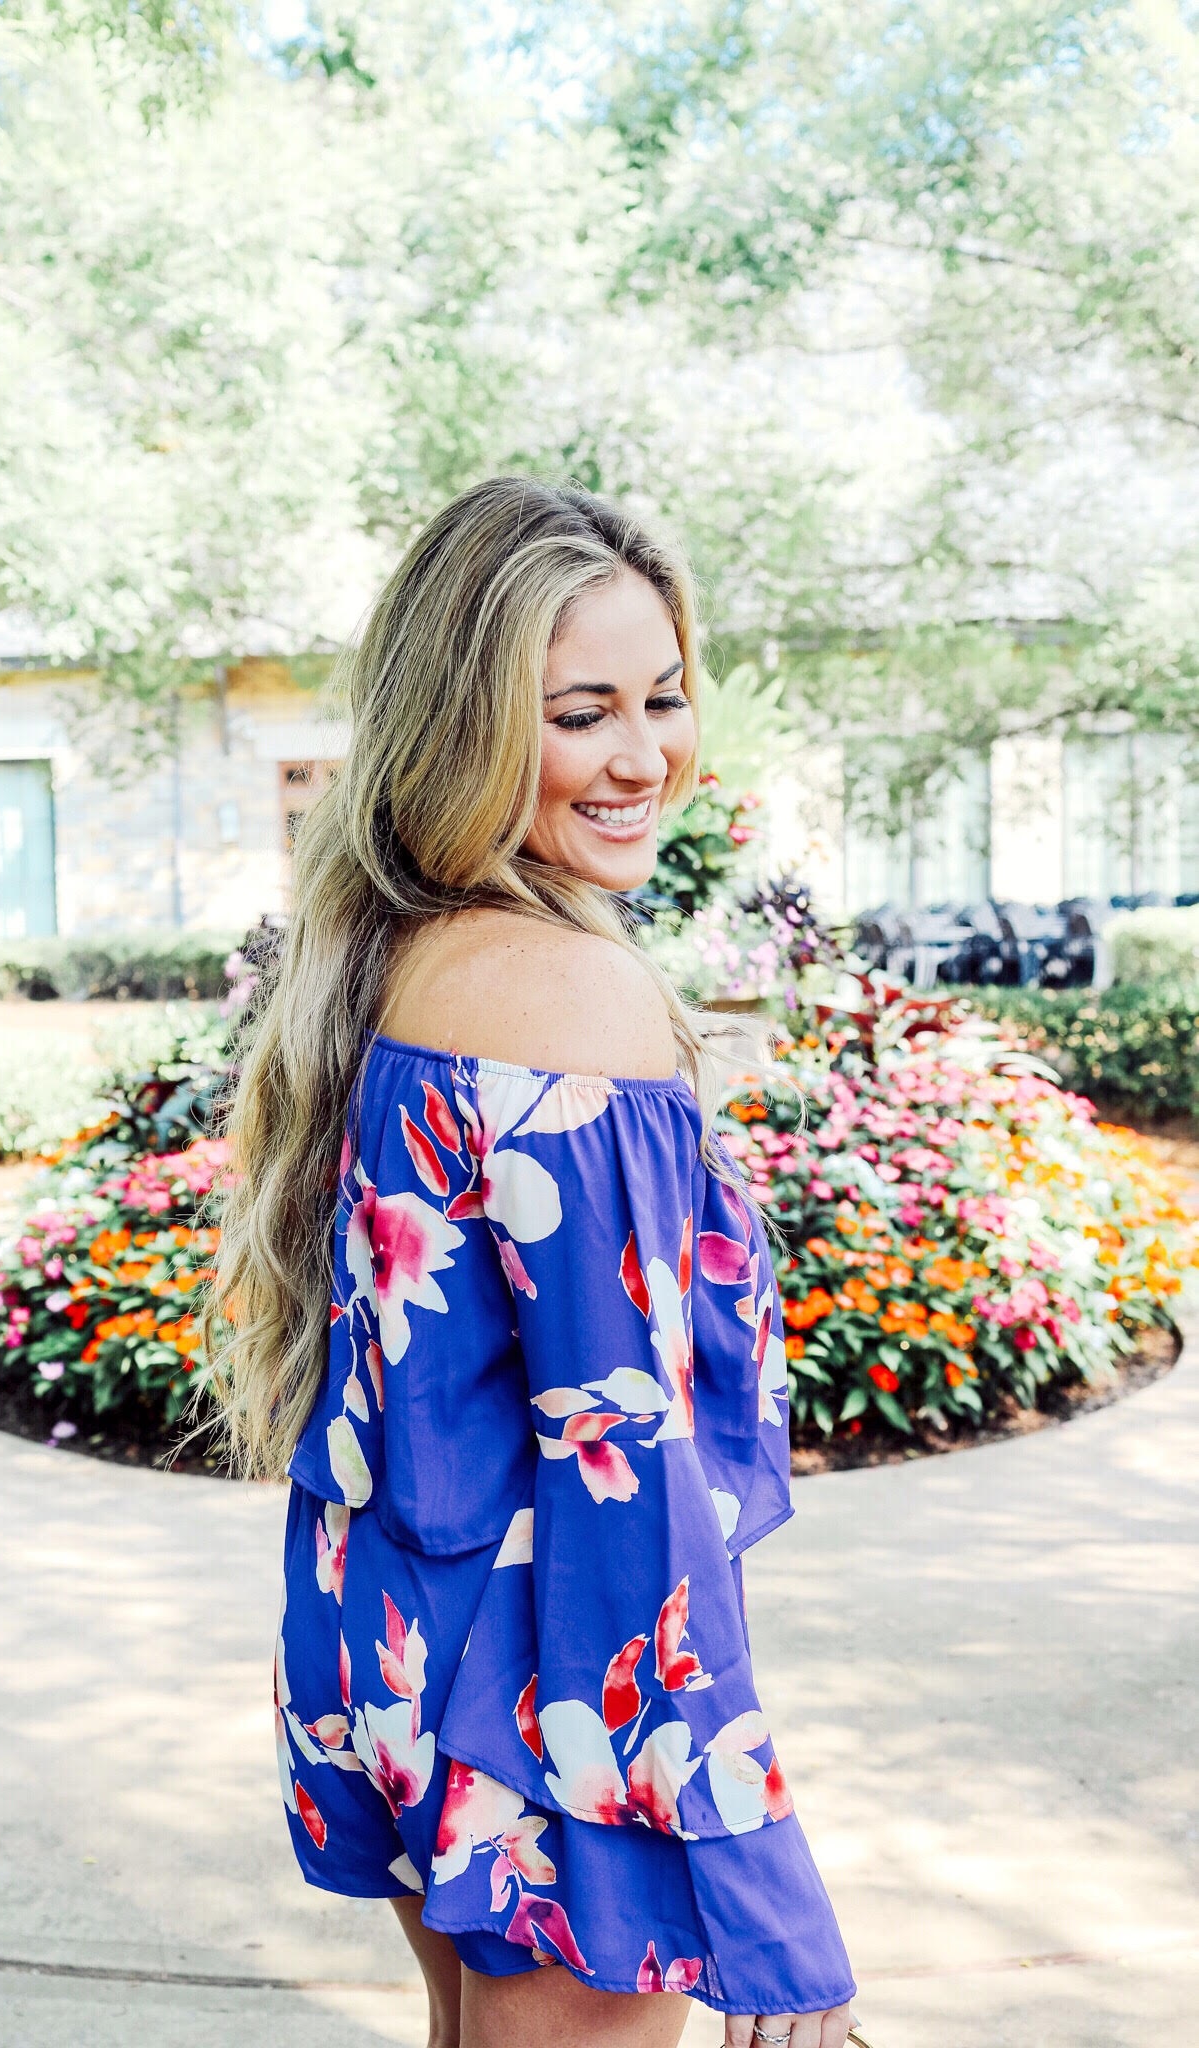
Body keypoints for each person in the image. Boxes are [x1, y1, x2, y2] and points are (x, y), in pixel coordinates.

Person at [214, 477, 857, 2048]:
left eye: (665, 695)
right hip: (556, 1704)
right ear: (470, 728)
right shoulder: (567, 1003)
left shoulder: (399, 955)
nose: (645, 756)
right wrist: (766, 1897)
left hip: (415, 1659)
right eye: (584, 712)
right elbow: (622, 1467)